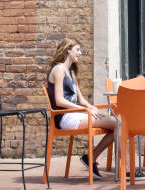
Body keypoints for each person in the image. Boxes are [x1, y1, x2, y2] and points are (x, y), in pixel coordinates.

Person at [46, 38, 119, 179]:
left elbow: (80, 98)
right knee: (118, 123)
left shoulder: (71, 72)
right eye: (77, 50)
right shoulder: (59, 70)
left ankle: (91, 158)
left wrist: (89, 106)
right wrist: (83, 109)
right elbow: (59, 100)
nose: (80, 53)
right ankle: (124, 169)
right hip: (65, 117)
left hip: (76, 114)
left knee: (118, 124)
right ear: (68, 50)